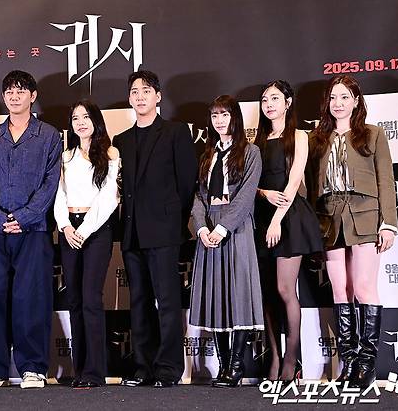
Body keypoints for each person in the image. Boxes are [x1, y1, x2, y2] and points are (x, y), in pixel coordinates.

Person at [0, 70, 61, 389]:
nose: (14, 96)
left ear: (33, 96)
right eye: (9, 91)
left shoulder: (48, 136)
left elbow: (51, 183)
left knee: (31, 298)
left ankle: (33, 367)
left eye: (21, 91)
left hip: (34, 230)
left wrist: (23, 217)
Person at [309, 75, 397, 388]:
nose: (338, 103)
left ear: (356, 101)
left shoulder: (373, 134)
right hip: (329, 218)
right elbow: (311, 185)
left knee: (363, 288)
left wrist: (389, 223)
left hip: (366, 216)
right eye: (333, 97)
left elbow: (386, 179)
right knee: (340, 289)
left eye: (345, 97)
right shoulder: (317, 138)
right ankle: (349, 363)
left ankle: (367, 365)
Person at [113, 70, 198, 388]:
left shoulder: (176, 132)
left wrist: (174, 220)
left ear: (158, 96)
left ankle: (168, 368)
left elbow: (187, 182)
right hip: (132, 232)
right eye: (134, 91)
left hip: (164, 231)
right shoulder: (122, 140)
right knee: (139, 302)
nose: (140, 96)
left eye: (146, 90)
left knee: (167, 302)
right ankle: (142, 366)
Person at [189, 95, 263, 388]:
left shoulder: (251, 152)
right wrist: (201, 229)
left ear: (235, 117)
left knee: (239, 293)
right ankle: (222, 366)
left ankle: (236, 366)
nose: (219, 121)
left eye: (225, 114)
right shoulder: (206, 155)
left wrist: (222, 229)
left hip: (236, 227)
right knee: (215, 295)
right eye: (215, 115)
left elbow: (245, 196)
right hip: (208, 228)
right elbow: (199, 196)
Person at [253, 80, 323, 382]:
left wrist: (276, 220)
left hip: (289, 218)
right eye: (265, 99)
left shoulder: (299, 136)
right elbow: (248, 183)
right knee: (267, 293)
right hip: (261, 216)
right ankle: (274, 358)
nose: (269, 104)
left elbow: (294, 182)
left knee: (285, 289)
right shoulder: (256, 141)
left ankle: (292, 360)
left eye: (275, 98)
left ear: (288, 102)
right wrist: (263, 194)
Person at [53, 99, 120, 388]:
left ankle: (94, 372)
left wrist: (85, 229)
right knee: (74, 300)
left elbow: (109, 197)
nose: (80, 123)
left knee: (91, 299)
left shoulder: (110, 153)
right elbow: (58, 193)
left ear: (96, 120)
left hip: (97, 230)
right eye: (75, 118)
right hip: (69, 229)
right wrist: (66, 226)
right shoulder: (65, 156)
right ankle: (79, 370)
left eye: (85, 117)